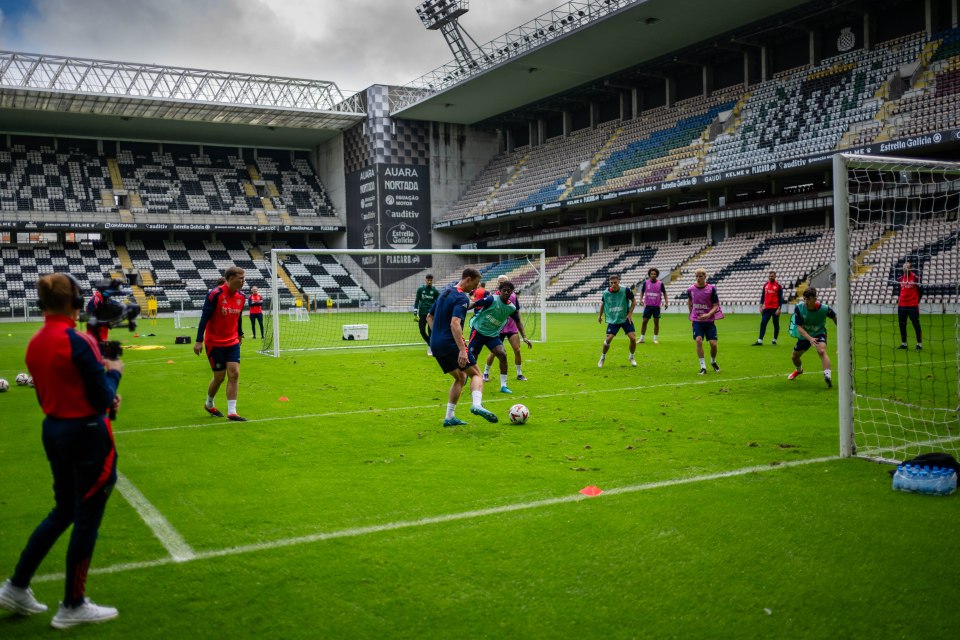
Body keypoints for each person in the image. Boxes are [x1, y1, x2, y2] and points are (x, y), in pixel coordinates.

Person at [0, 273, 123, 629]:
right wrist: (114, 372)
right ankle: (73, 603)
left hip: (53, 429)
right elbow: (102, 396)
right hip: (86, 432)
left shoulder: (35, 342)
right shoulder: (78, 341)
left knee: (64, 510)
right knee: (86, 516)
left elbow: (49, 393)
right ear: (76, 302)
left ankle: (17, 585)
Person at [426, 268, 498, 426]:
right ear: (468, 279)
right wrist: (461, 350)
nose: (475, 288)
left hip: (436, 345)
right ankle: (477, 405)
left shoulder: (444, 293)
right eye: (475, 284)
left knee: (460, 377)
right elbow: (455, 323)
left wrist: (437, 335)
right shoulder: (461, 298)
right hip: (451, 344)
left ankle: (449, 417)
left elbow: (429, 317)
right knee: (477, 375)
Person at [194, 266, 247, 421]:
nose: (243, 281)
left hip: (232, 341)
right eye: (241, 278)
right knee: (219, 377)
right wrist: (198, 340)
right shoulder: (214, 295)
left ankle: (232, 412)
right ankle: (209, 404)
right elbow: (204, 317)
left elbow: (239, 317)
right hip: (214, 342)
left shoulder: (242, 297)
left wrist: (240, 334)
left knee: (234, 373)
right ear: (231, 278)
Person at [470, 280, 532, 394]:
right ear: (500, 291)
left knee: (502, 354)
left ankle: (503, 386)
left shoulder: (511, 308)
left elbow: (518, 321)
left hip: (492, 335)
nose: (506, 293)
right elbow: (474, 304)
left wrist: (524, 337)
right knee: (472, 358)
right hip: (478, 331)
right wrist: (460, 309)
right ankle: (467, 378)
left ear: (512, 292)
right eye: (504, 290)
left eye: (509, 291)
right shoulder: (492, 299)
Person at [787, 287, 838, 388]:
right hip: (805, 335)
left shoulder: (824, 308)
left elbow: (834, 317)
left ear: (815, 299)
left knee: (821, 351)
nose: (806, 301)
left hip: (819, 333)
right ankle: (799, 370)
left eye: (808, 299)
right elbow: (799, 327)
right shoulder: (799, 308)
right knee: (794, 357)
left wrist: (840, 329)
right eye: (804, 299)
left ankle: (827, 376)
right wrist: (809, 338)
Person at [483, 274, 529, 382]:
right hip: (498, 328)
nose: (502, 283)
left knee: (517, 350)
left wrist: (520, 324)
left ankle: (519, 374)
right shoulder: (494, 296)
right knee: (494, 352)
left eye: (504, 281)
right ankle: (485, 373)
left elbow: (517, 311)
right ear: (498, 284)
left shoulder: (513, 296)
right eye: (500, 282)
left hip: (511, 327)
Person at [598, 274, 637, 368]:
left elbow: (634, 301)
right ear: (609, 283)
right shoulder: (606, 292)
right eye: (611, 283)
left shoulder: (626, 290)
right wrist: (600, 316)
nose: (613, 284)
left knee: (633, 338)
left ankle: (631, 357)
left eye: (615, 282)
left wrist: (630, 314)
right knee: (608, 340)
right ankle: (602, 357)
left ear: (619, 281)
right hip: (613, 319)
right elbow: (603, 304)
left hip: (625, 318)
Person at [687, 268, 721, 375]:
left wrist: (708, 315)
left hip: (709, 321)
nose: (698, 278)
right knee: (698, 340)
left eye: (700, 276)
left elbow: (716, 306)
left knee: (713, 344)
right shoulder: (691, 289)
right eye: (696, 276)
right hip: (697, 321)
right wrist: (692, 316)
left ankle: (713, 361)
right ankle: (703, 367)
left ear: (705, 276)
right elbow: (690, 302)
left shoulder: (711, 289)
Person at [752, 270, 784, 346]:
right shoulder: (765, 285)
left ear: (775, 277)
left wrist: (779, 309)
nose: (770, 277)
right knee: (763, 323)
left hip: (775, 308)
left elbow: (780, 298)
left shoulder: (778, 286)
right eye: (769, 276)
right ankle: (759, 341)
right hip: (767, 308)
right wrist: (760, 305)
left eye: (772, 276)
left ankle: (774, 340)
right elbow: (763, 296)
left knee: (775, 324)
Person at [896, 261, 922, 351]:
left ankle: (919, 344)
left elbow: (921, 290)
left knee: (916, 324)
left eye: (907, 267)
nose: (905, 268)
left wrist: (917, 300)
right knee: (902, 324)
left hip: (912, 305)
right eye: (904, 267)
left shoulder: (915, 278)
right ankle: (904, 344)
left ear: (910, 268)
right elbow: (899, 291)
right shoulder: (900, 279)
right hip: (902, 305)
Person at [638, 268, 668, 344]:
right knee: (644, 322)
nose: (653, 275)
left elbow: (664, 293)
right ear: (649, 275)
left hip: (656, 307)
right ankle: (641, 338)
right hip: (648, 306)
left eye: (654, 274)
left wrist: (666, 302)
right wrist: (640, 300)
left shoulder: (660, 283)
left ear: (656, 275)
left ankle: (655, 339)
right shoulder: (646, 283)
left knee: (656, 322)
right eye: (652, 274)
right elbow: (642, 291)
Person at [413, 274, 440, 356]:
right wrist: (415, 311)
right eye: (428, 280)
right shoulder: (421, 289)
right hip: (422, 313)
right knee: (422, 331)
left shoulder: (435, 291)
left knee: (430, 331)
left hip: (431, 314)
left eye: (431, 280)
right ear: (425, 280)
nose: (429, 282)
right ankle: (430, 343)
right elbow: (417, 300)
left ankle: (430, 348)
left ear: (432, 281)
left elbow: (438, 302)